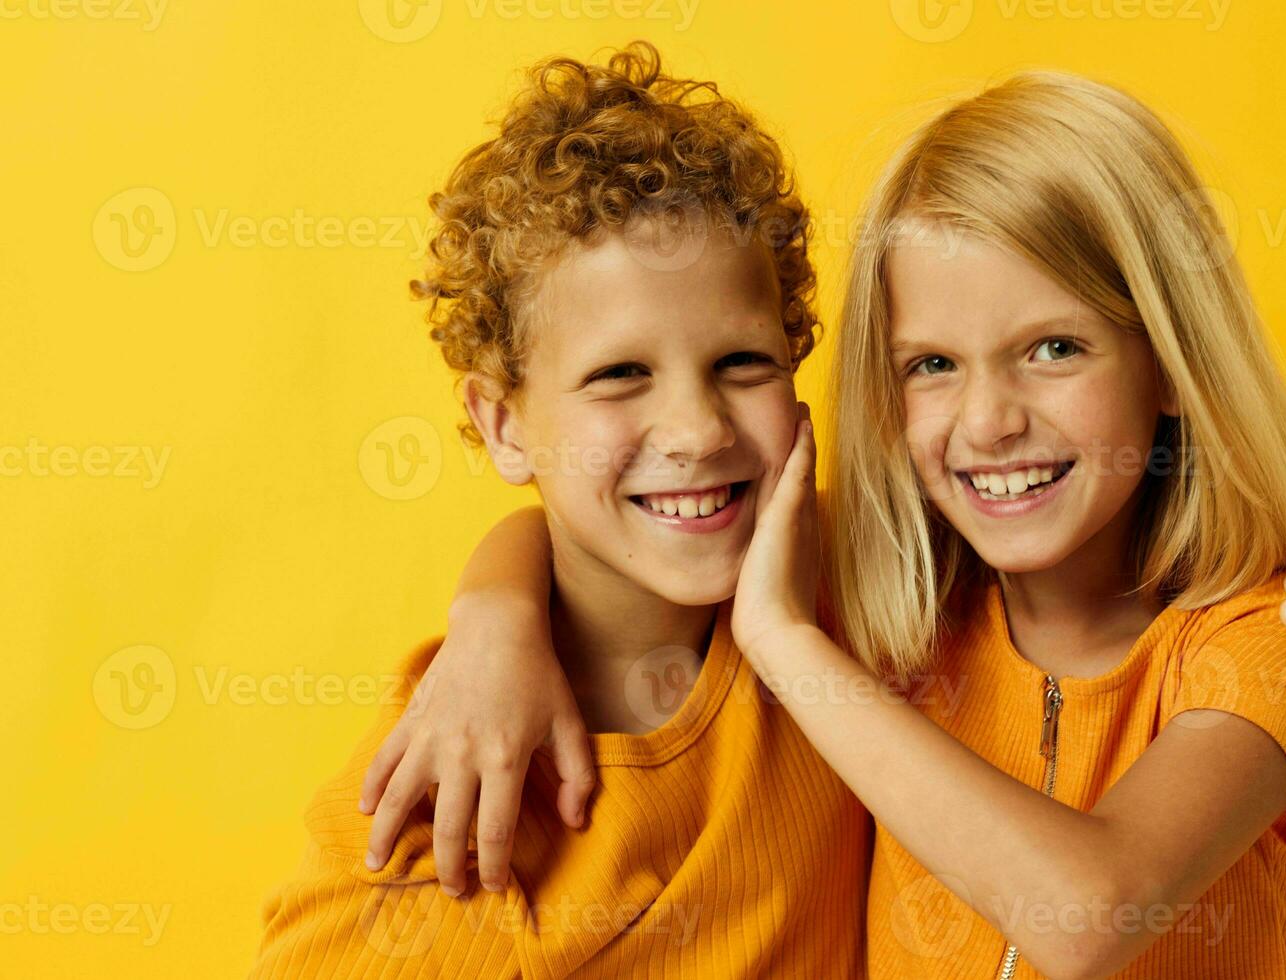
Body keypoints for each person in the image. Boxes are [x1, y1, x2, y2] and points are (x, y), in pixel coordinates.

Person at [364, 70, 1286, 979]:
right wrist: (491, 623)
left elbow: (1090, 912)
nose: (991, 420)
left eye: (1055, 347)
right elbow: (589, 527)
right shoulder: (892, 584)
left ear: (1174, 362)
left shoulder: (1276, 642)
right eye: (932, 365)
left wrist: (785, 644)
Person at [249, 43, 870, 978]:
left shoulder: (863, 583)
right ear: (502, 427)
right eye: (621, 376)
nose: (698, 432)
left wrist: (494, 603)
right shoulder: (453, 800)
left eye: (743, 363)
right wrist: (492, 616)